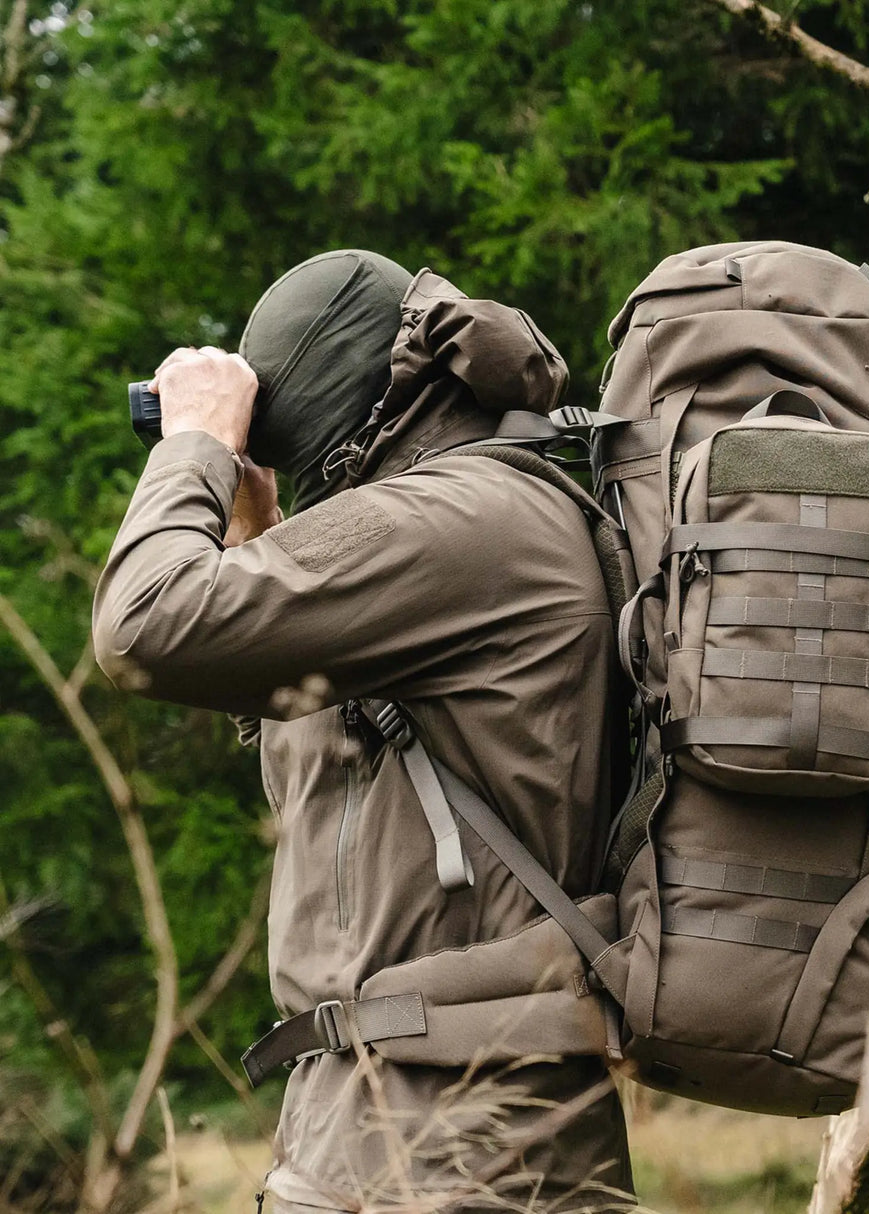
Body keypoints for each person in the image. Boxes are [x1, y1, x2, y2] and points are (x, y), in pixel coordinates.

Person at [92, 250, 634, 1212]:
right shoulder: (467, 518)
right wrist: (262, 543)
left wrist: (194, 449)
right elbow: (344, 801)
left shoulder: (457, 520)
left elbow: (142, 627)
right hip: (383, 1138)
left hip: (452, 1156)